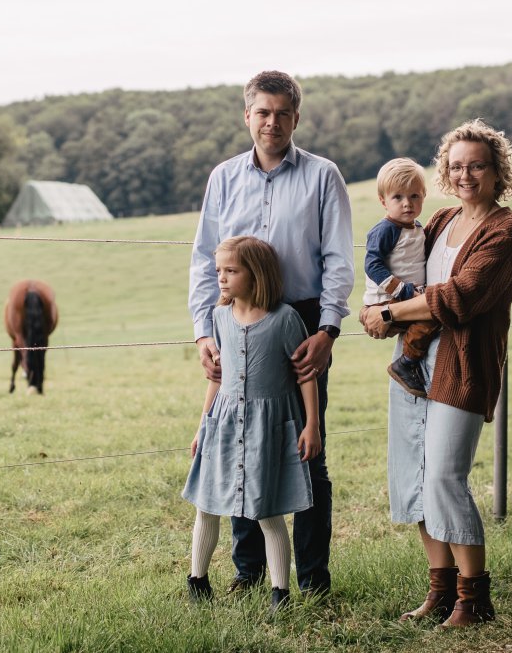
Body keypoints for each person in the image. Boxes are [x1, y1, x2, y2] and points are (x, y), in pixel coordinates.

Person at [188, 70, 354, 596]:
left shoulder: (324, 176)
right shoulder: (223, 178)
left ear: (296, 118)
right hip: (233, 319)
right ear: (247, 116)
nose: (272, 123)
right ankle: (248, 572)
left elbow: (338, 260)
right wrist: (202, 333)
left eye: (283, 113)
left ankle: (312, 579)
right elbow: (201, 258)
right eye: (263, 112)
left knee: (306, 449)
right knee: (240, 440)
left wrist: (327, 330)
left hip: (301, 320)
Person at [361, 119, 512, 627]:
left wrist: (390, 314)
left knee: (444, 478)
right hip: (414, 365)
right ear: (445, 172)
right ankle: (441, 590)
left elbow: (460, 299)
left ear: (498, 172)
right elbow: (405, 277)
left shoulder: (505, 231)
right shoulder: (438, 221)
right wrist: (379, 310)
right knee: (413, 478)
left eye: (477, 165)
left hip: (464, 366)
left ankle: (475, 600)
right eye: (456, 166)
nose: (465, 175)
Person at [182, 236, 322, 611]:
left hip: (266, 428)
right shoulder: (219, 318)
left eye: (231, 271)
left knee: (268, 512)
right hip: (223, 424)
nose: (222, 279)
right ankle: (197, 580)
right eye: (218, 272)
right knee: (206, 504)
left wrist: (312, 426)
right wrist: (202, 424)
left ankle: (281, 592)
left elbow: (305, 376)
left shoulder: (284, 319)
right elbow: (216, 377)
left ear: (255, 273)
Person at [362, 157, 440, 397]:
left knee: (431, 313)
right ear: (383, 201)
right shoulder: (386, 229)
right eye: (398, 197)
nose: (407, 204)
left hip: (407, 294)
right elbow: (372, 265)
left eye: (414, 196)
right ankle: (407, 362)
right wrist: (404, 291)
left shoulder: (416, 227)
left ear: (424, 195)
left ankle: (409, 358)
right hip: (386, 299)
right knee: (431, 316)